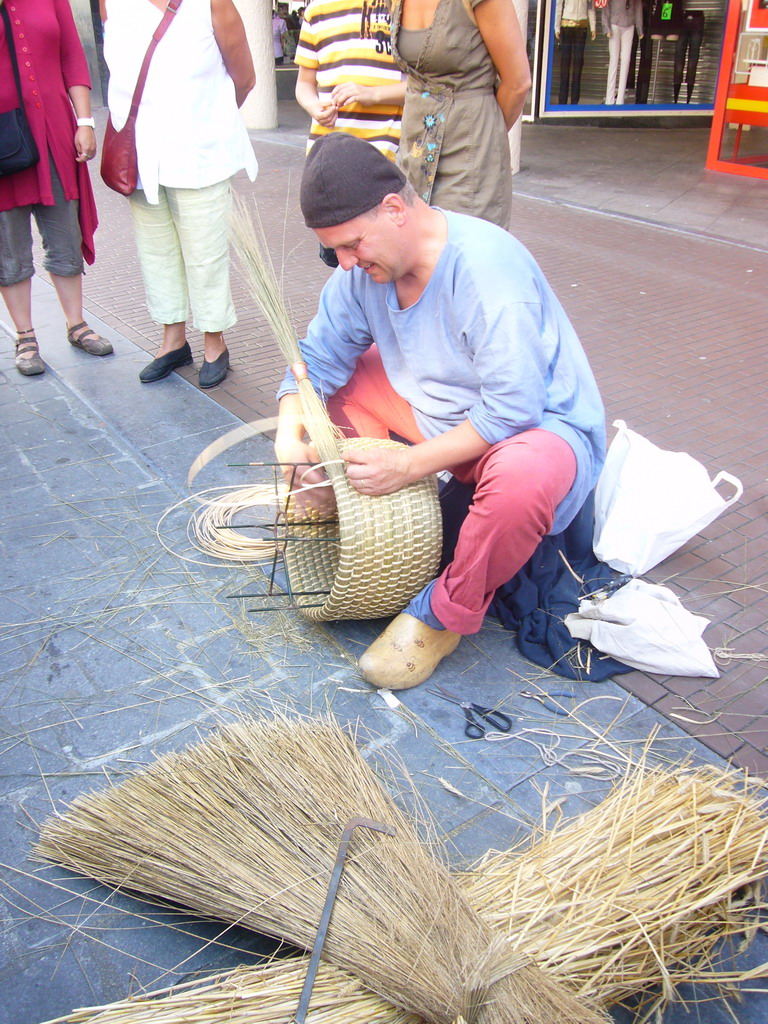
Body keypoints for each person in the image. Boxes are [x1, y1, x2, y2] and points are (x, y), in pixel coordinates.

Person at [274, 133, 606, 690]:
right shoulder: (359, 274)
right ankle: (349, 500)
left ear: (395, 209)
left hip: (529, 432)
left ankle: (444, 616)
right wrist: (291, 431)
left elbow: (513, 409)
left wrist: (408, 466)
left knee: (523, 477)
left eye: (353, 245)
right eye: (334, 252)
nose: (346, 264)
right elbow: (317, 358)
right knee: (331, 388)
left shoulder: (486, 270)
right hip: (436, 421)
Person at [100, 0, 257, 389]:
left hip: (199, 152)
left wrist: (206, 118)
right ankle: (173, 340)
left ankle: (214, 342)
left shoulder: (212, 3)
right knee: (156, 250)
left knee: (206, 253)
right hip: (139, 154)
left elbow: (245, 78)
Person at [0, 0, 111, 377]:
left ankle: (76, 323)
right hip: (3, 141)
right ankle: (25, 335)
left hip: (54, 132)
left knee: (65, 231)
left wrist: (85, 121)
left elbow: (72, 58)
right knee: (9, 241)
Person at [390, 0, 531, 230]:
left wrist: (481, 137)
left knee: (463, 249)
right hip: (414, 150)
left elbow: (517, 83)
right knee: (411, 252)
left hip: (468, 155)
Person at [294, 0, 406, 267]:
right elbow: (304, 84)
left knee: (387, 262)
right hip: (329, 165)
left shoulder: (402, 6)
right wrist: (314, 106)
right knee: (342, 263)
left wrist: (373, 94)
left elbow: (424, 84)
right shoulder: (317, 10)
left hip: (384, 160)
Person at [554, 0, 596, 105]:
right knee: (565, 64)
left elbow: (591, 6)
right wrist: (556, 26)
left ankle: (574, 102)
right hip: (567, 24)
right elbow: (559, 4)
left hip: (582, 25)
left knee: (578, 65)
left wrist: (593, 26)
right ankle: (562, 102)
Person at [602, 0, 644, 105]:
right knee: (614, 61)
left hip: (629, 25)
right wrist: (606, 27)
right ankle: (609, 99)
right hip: (614, 24)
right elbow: (605, 6)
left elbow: (638, 8)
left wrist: (640, 28)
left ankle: (620, 99)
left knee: (626, 61)